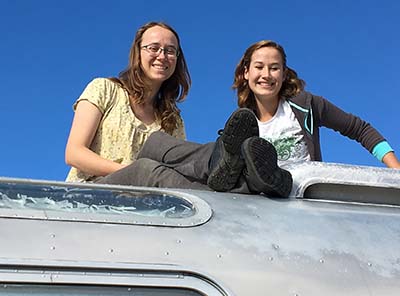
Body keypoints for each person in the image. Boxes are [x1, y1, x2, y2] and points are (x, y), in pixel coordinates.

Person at [83, 40, 400, 197]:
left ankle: (250, 170)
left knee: (166, 154)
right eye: (259, 67)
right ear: (246, 73)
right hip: (256, 196)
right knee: (158, 144)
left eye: (274, 67)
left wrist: (395, 171)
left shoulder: (306, 105)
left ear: (284, 73)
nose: (266, 74)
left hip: (298, 192)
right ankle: (218, 160)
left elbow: (359, 129)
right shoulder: (243, 123)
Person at [65, 21, 191, 183]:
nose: (162, 56)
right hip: (92, 194)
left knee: (193, 162)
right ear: (138, 53)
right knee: (147, 166)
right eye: (153, 48)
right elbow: (74, 153)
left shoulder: (173, 121)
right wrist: (135, 173)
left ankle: (219, 161)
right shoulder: (104, 89)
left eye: (170, 51)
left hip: (144, 204)